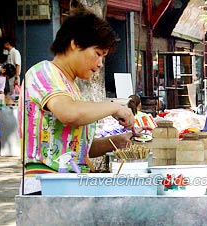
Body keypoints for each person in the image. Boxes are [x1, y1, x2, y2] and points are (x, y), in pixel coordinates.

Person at [18, 10, 136, 195]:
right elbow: (69, 113)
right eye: (98, 53)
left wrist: (116, 142)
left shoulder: (71, 86)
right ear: (75, 44)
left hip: (68, 184)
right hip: (45, 186)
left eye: (103, 57)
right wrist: (114, 106)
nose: (100, 64)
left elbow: (77, 146)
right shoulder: (43, 72)